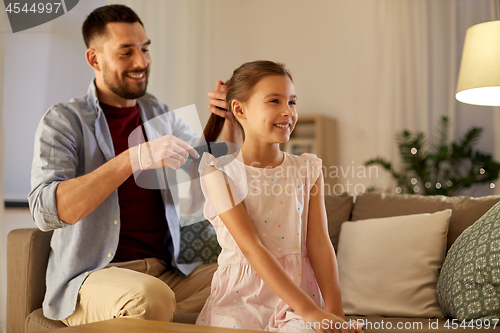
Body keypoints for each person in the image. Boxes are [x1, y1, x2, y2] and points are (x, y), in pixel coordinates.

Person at [28, 4, 239, 325]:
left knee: (249, 278)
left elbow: (203, 174)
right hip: (94, 277)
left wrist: (227, 121)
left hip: (166, 272)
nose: (141, 62)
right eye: (126, 52)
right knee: (149, 298)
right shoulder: (64, 120)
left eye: (144, 49)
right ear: (94, 59)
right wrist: (133, 158)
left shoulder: (158, 113)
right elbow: (47, 212)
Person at [194, 61, 364, 333]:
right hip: (240, 300)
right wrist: (310, 311)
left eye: (293, 102)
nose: (288, 112)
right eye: (275, 101)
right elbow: (252, 247)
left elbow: (319, 243)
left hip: (298, 299)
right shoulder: (218, 172)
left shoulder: (308, 169)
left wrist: (333, 313)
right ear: (239, 109)